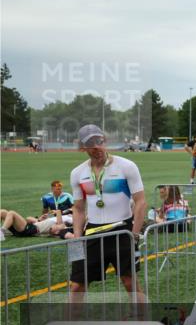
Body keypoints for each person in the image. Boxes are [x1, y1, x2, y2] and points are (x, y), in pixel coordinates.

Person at [69, 124, 148, 306]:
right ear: (83, 147)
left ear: (105, 141)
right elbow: (79, 209)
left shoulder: (127, 166)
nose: (96, 146)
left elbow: (141, 202)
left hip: (123, 230)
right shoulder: (77, 173)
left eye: (99, 141)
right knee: (77, 286)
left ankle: (143, 320)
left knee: (129, 281)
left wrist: (134, 235)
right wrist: (77, 239)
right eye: (90, 143)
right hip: (92, 233)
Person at [0, 209, 72, 239]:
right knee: (2, 212)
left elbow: (60, 225)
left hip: (31, 230)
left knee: (12, 213)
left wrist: (58, 212)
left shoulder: (63, 225)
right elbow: (28, 219)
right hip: (27, 227)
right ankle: (2, 231)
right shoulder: (49, 220)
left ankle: (1, 232)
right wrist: (39, 219)